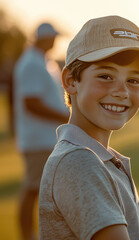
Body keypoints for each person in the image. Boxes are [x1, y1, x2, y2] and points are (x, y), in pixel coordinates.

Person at [38, 15, 139, 240]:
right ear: (71, 81)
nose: (121, 91)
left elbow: (127, 227)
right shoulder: (79, 163)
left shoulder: (99, 158)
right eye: (106, 76)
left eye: (133, 80)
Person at [13, 22, 68, 240]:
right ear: (44, 38)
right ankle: (28, 236)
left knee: (41, 189)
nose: (55, 42)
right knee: (32, 188)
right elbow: (31, 103)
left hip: (46, 138)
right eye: (53, 37)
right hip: (37, 139)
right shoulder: (31, 64)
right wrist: (65, 117)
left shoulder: (44, 62)